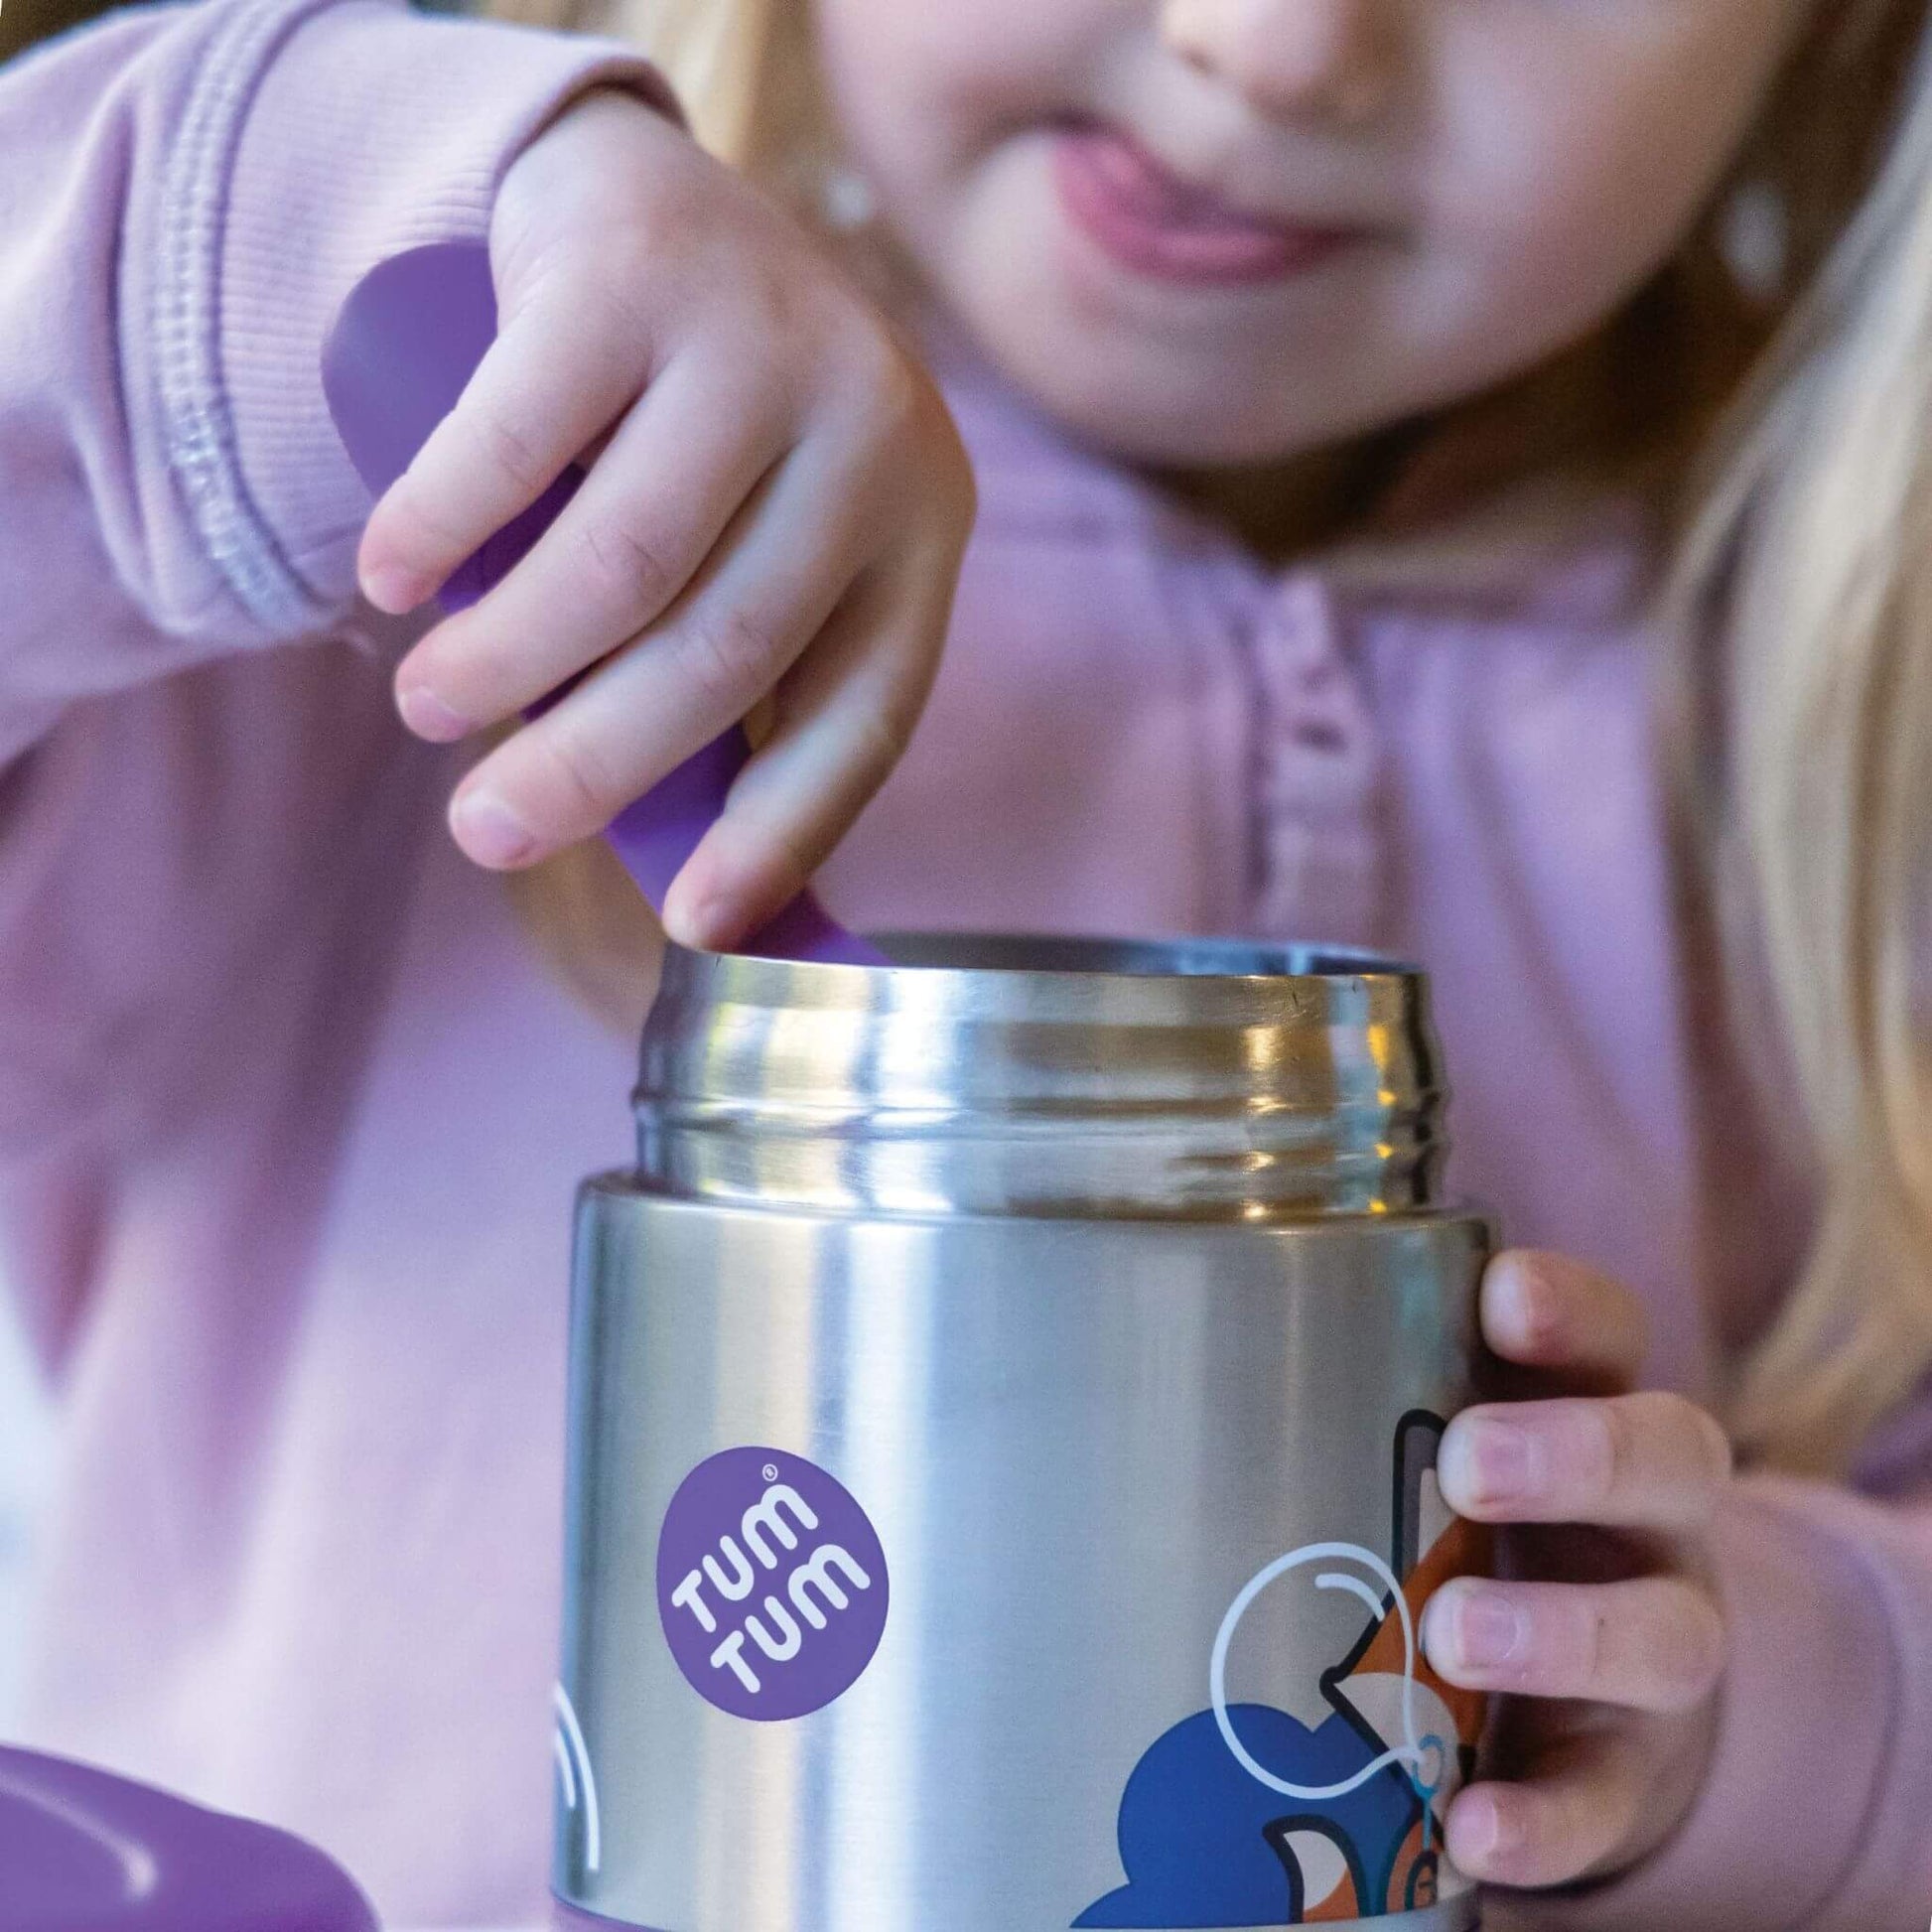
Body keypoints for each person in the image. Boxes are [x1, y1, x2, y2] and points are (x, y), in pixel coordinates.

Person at [1, 0, 1929, 1923]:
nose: (1269, 49)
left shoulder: (1850, 712)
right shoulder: (343, 582)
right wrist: (343, 218)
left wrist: (1752, 1697)